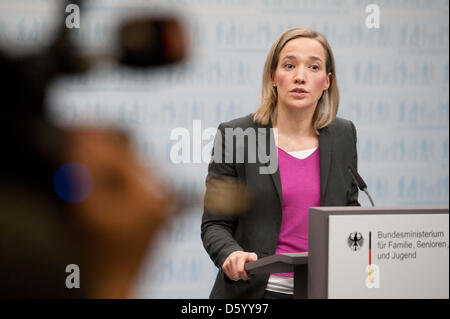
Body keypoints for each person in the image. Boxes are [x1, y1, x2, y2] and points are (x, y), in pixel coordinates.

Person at [201, 27, 360, 299]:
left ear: (327, 81)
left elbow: (348, 209)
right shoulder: (238, 135)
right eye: (289, 65)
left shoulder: (343, 134)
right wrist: (232, 253)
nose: (300, 76)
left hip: (323, 289)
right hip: (256, 291)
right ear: (274, 77)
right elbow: (215, 224)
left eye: (313, 67)